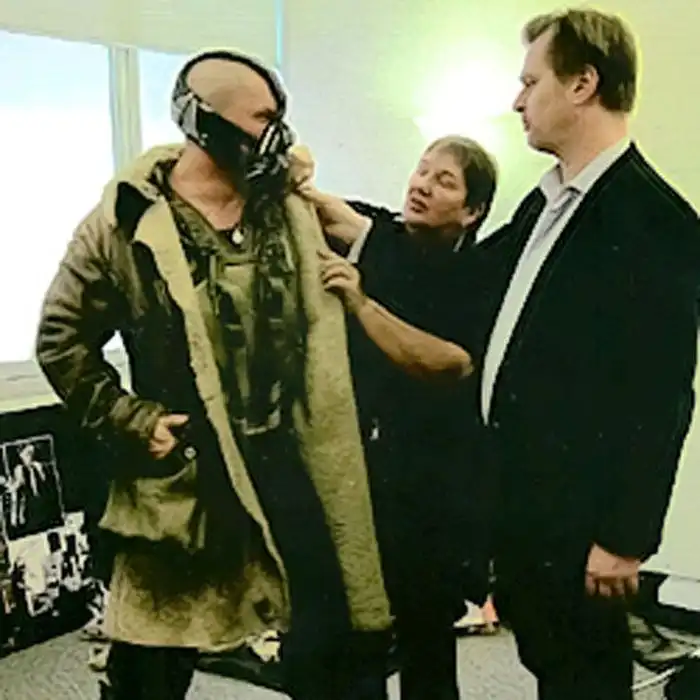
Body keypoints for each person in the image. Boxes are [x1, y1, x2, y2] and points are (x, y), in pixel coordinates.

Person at [35, 49, 391, 700]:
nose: (277, 133)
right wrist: (132, 419)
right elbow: (60, 339)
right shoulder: (123, 224)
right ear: (205, 122)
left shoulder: (287, 210)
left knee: (334, 654)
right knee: (149, 670)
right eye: (261, 118)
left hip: (286, 461)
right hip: (183, 475)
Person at [477, 9, 700, 700]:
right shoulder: (547, 203)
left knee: (585, 678)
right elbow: (473, 287)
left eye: (530, 82)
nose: (517, 101)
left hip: (580, 522)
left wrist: (625, 538)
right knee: (554, 664)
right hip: (528, 506)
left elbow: (662, 394)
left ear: (582, 84)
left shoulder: (654, 220)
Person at [300, 134, 498, 700]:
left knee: (425, 636)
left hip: (433, 483)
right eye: (421, 170)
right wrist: (294, 171)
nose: (422, 185)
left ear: (472, 211)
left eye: (444, 181)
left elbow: (447, 363)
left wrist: (361, 304)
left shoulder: (477, 275)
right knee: (358, 634)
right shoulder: (382, 234)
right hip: (363, 468)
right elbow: (323, 208)